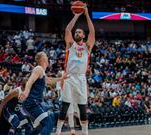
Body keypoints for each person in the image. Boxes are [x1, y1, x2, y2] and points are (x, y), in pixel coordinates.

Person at [56, 5, 95, 135]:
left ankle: (85, 132)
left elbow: (92, 32)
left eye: (79, 32)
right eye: (76, 32)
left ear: (83, 35)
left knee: (82, 108)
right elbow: (67, 30)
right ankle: (58, 132)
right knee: (65, 106)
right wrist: (77, 14)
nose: (76, 33)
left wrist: (87, 15)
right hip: (69, 77)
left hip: (81, 78)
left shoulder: (87, 46)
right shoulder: (70, 44)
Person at [19, 51, 68, 135]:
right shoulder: (38, 69)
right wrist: (26, 91)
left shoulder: (42, 71)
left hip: (33, 102)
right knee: (48, 123)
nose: (47, 57)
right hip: (32, 102)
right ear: (42, 59)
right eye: (45, 55)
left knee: (41, 125)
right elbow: (30, 81)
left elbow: (49, 80)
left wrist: (61, 78)